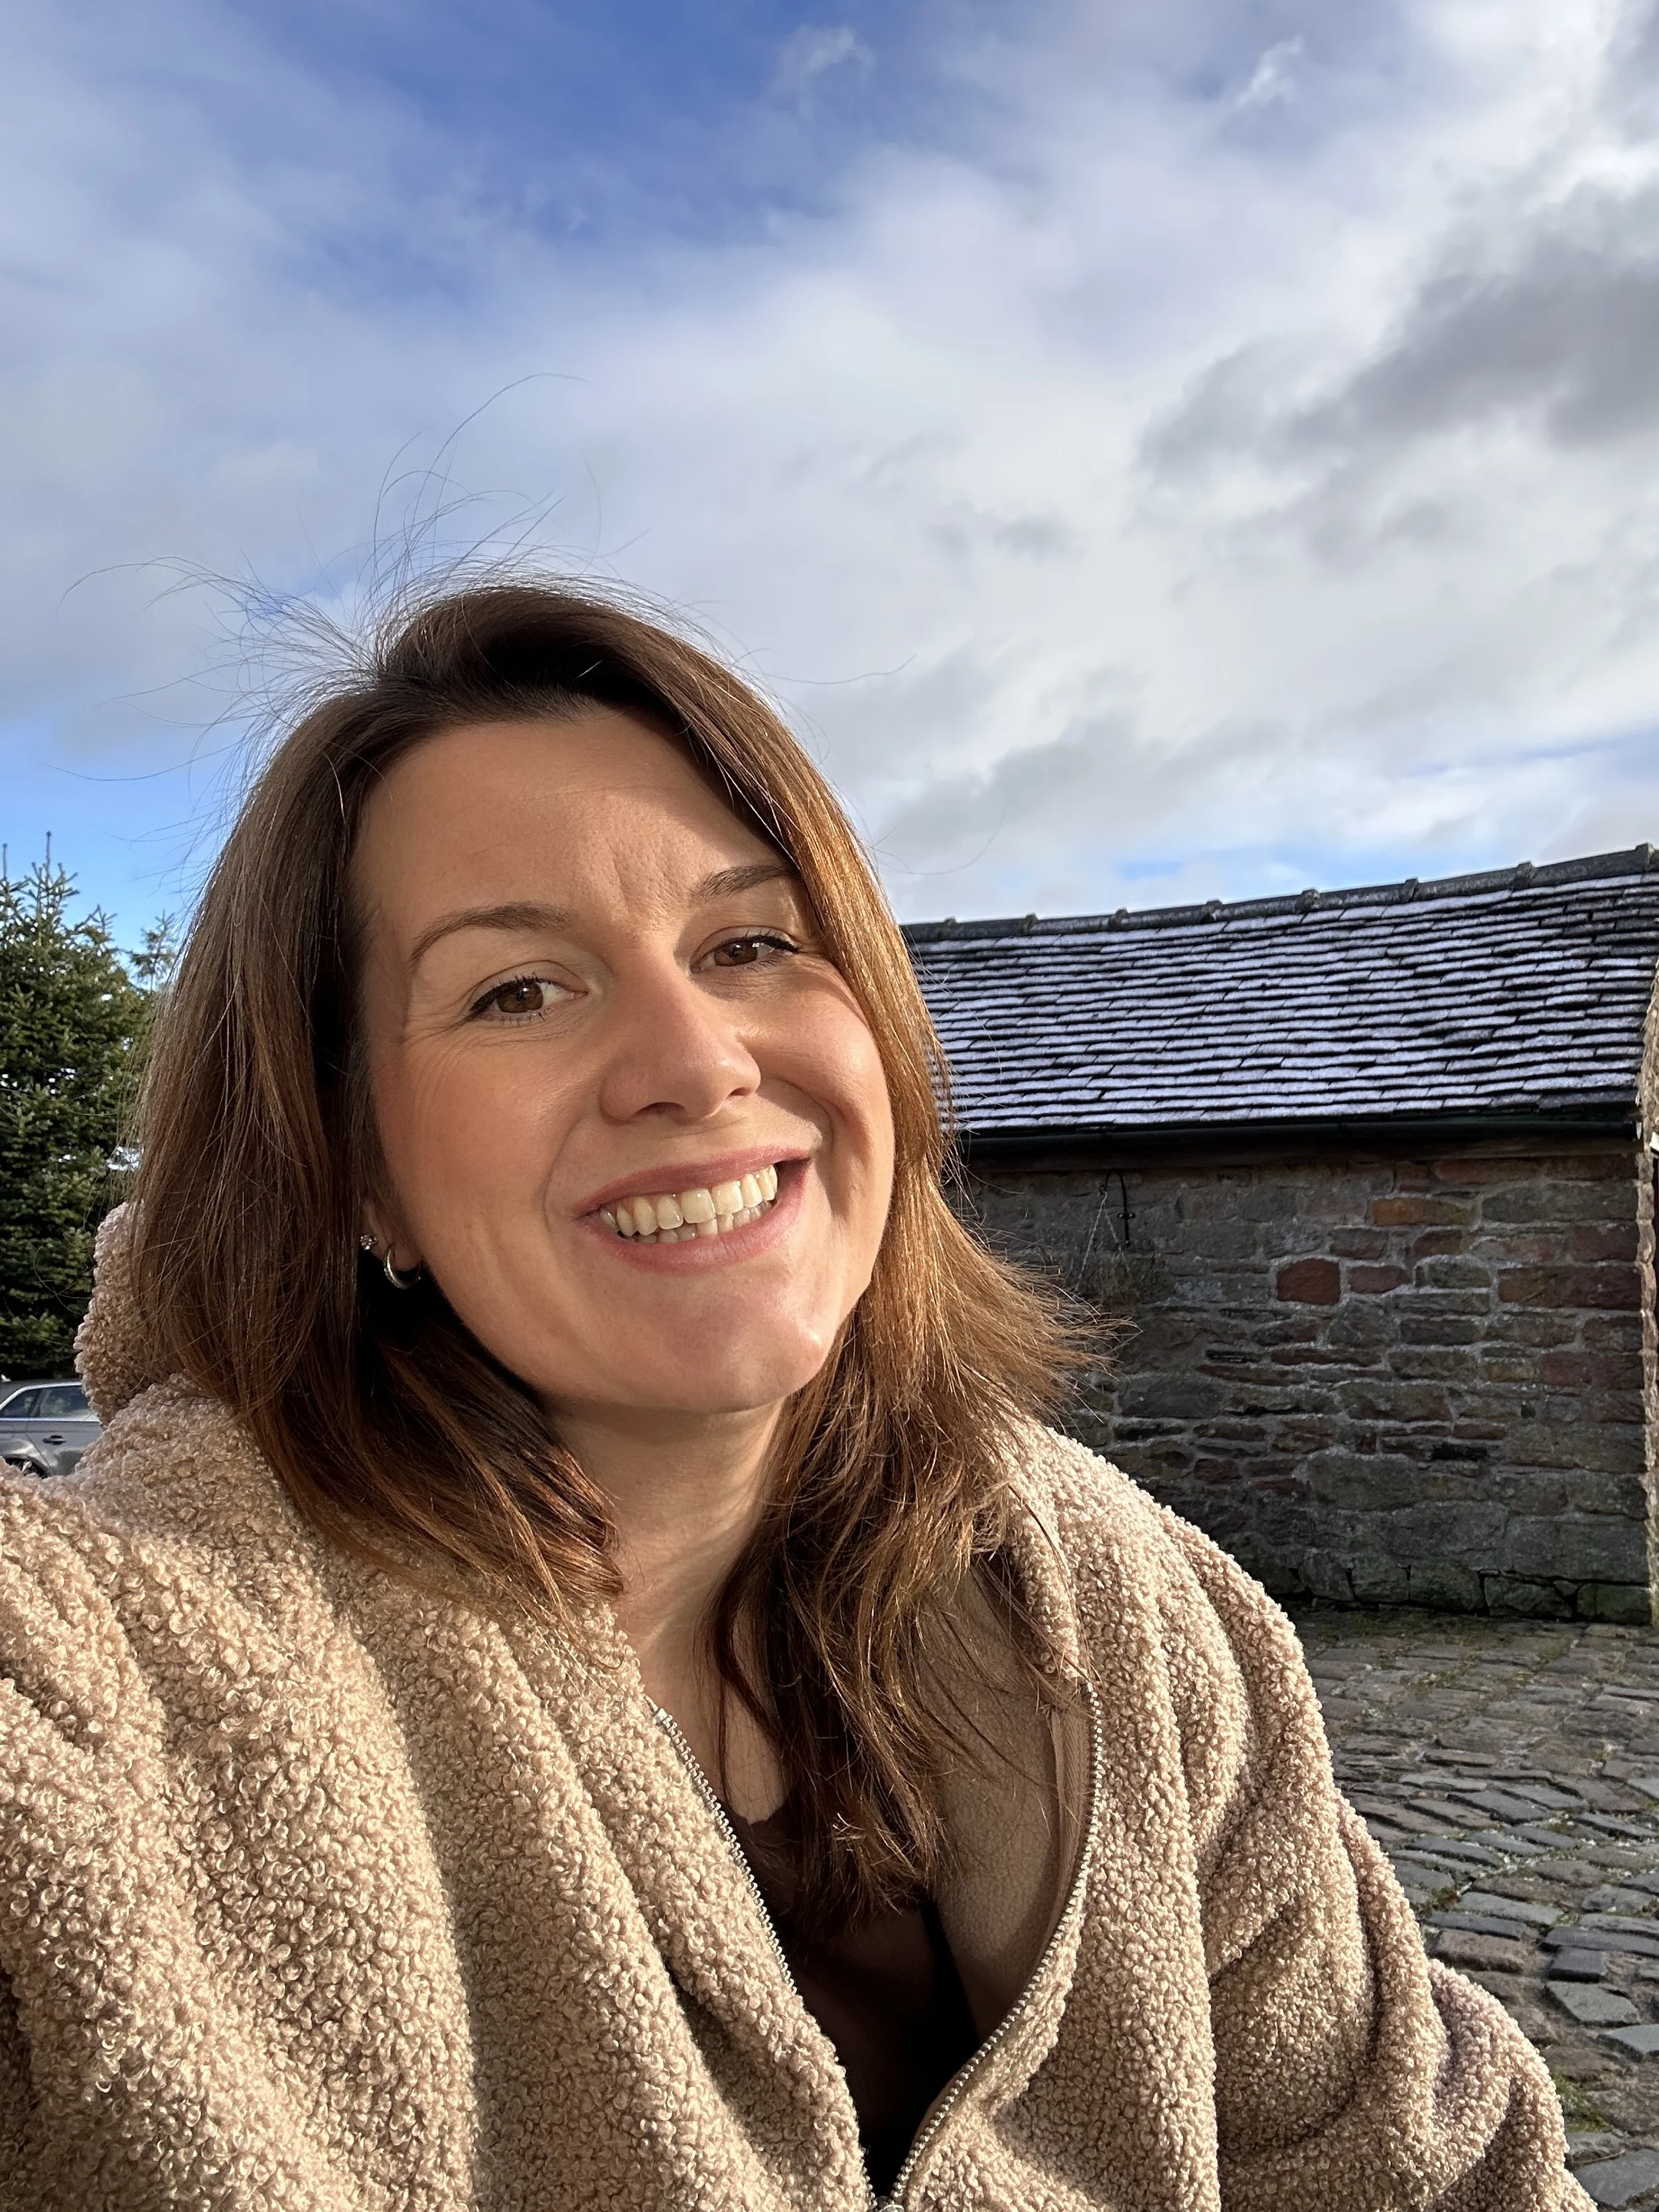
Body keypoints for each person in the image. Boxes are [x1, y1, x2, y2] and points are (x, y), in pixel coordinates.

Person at [0, 582, 1589, 2210]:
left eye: (749, 942)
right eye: (516, 991)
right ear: (357, 1176)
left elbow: (1410, 2164)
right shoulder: (109, 1690)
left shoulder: (1135, 1610)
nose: (692, 1062)